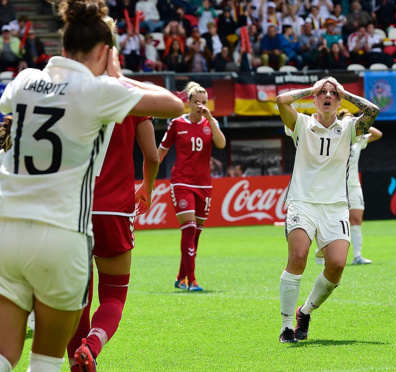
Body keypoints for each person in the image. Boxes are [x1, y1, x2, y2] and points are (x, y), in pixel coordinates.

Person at [0, 0, 184, 371]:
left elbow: (11, 107)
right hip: (63, 233)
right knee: (46, 360)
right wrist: (114, 74)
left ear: (62, 44)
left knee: (5, 354)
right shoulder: (101, 91)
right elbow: (173, 105)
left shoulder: (22, 81)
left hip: (8, 230)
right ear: (105, 52)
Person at [276, 77, 379, 343]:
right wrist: (312, 88)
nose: (328, 95)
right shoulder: (301, 123)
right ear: (314, 98)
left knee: (336, 265)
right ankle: (287, 326)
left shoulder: (348, 128)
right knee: (298, 257)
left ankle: (305, 311)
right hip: (303, 201)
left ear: (339, 99)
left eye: (333, 93)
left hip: (335, 207)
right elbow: (281, 100)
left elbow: (373, 112)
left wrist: (347, 94)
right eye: (323, 92)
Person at [66, 114, 159, 372]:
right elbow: (152, 156)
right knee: (114, 295)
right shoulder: (131, 96)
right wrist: (147, 188)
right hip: (115, 210)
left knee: (78, 300)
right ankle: (91, 347)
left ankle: (77, 364)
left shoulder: (72, 91)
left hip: (73, 209)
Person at [158, 82, 226, 291]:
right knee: (188, 229)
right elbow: (162, 150)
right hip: (181, 182)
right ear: (188, 103)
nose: (200, 105)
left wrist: (212, 119)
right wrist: (148, 178)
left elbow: (221, 144)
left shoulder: (210, 124)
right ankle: (192, 280)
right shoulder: (176, 124)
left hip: (203, 184)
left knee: (195, 234)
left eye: (204, 102)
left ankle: (180, 277)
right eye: (196, 101)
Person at [343, 109, 382, 265]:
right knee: (334, 221)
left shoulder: (358, 140)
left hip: (353, 185)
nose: (350, 121)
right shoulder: (335, 138)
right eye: (346, 119)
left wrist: (359, 121)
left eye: (351, 119)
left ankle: (357, 256)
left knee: (357, 219)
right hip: (336, 186)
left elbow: (378, 134)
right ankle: (323, 250)